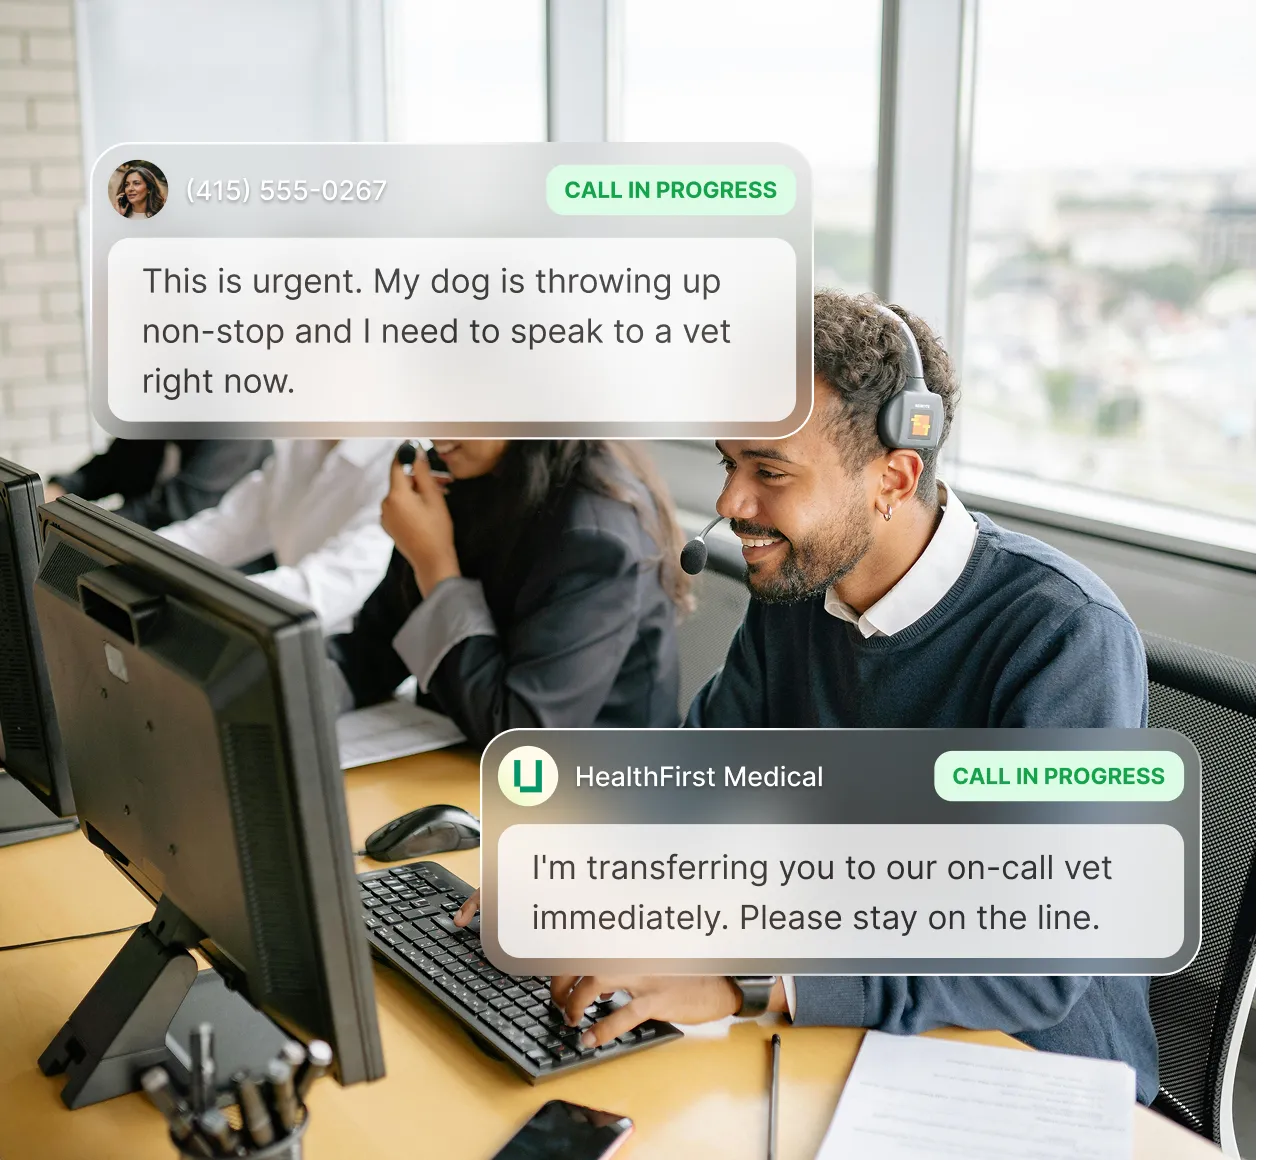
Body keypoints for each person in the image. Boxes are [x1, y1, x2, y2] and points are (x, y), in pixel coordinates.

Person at [455, 292, 1158, 1103]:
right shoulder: (797, 594)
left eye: (769, 472)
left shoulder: (1064, 638)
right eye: (729, 464)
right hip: (842, 1030)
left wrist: (744, 979)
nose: (728, 504)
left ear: (893, 477)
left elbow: (1027, 961)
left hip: (1025, 1075)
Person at [327, 439, 686, 750]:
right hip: (461, 760)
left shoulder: (596, 535)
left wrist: (435, 568)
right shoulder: (466, 475)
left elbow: (521, 739)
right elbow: (372, 649)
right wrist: (290, 690)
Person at [158, 439, 397, 632]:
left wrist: (202, 594)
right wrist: (142, 556)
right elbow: (225, 527)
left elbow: (325, 589)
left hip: (348, 653)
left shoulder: (395, 462)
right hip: (287, 631)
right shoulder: (303, 441)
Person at [46, 439, 270, 530]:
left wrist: (72, 525)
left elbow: (168, 512)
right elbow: (110, 467)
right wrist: (58, 492)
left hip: (225, 571)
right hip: (148, 551)